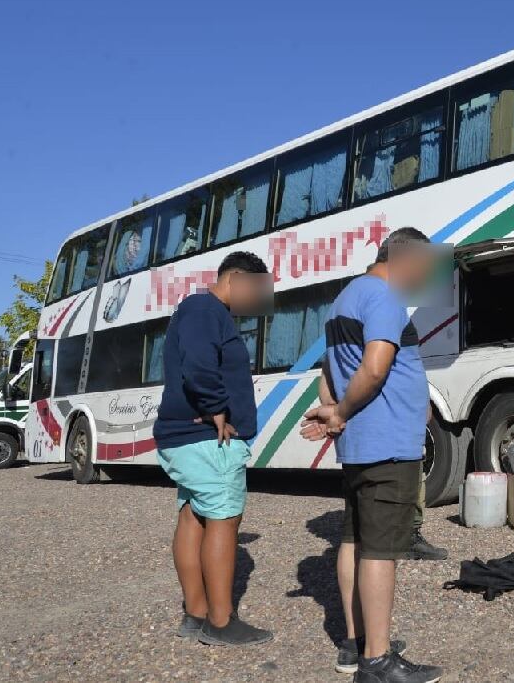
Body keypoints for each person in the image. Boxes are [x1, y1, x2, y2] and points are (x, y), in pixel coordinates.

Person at [301, 227, 442, 683]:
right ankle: (377, 662)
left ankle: (357, 642)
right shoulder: (382, 297)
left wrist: (335, 415)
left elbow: (329, 370)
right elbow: (377, 365)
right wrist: (340, 410)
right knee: (381, 551)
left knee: (354, 540)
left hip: (361, 444)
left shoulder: (346, 298)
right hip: (388, 443)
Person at [154, 251, 274, 646]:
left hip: (188, 438)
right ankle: (221, 622)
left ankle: (196, 615)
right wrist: (217, 408)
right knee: (224, 518)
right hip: (209, 438)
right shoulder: (206, 309)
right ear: (237, 278)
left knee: (193, 517)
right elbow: (200, 365)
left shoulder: (200, 310)